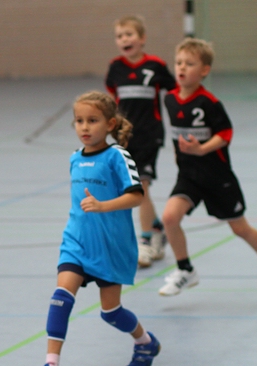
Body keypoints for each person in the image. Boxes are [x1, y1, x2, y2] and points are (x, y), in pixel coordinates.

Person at [27, 91, 161, 366]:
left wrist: (103, 206)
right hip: (76, 241)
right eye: (79, 121)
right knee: (61, 297)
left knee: (110, 311)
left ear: (110, 124)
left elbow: (136, 196)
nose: (85, 127)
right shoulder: (75, 158)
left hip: (111, 245)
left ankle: (145, 342)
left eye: (92, 120)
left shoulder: (117, 156)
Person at [158, 38, 257, 300]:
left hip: (217, 177)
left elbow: (225, 133)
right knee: (170, 218)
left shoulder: (209, 102)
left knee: (240, 229)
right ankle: (186, 270)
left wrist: (201, 149)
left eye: (190, 64)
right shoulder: (170, 99)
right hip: (189, 176)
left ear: (204, 70)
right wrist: (180, 155)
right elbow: (177, 135)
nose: (182, 67)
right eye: (179, 62)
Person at [106, 15, 177, 268]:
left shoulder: (156, 66)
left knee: (141, 187)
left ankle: (145, 241)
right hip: (125, 138)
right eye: (120, 36)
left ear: (142, 38)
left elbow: (174, 92)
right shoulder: (115, 68)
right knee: (132, 188)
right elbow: (112, 101)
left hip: (149, 135)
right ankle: (157, 228)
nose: (124, 39)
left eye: (129, 34)